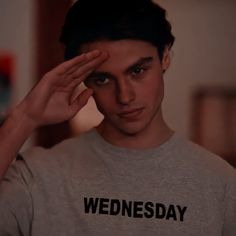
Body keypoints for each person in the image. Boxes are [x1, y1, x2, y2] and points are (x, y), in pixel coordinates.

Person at [0, 0, 235, 235]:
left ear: (165, 57)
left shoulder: (222, 184)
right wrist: (24, 117)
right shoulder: (36, 176)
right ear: (85, 80)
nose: (124, 96)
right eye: (103, 79)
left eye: (137, 71)